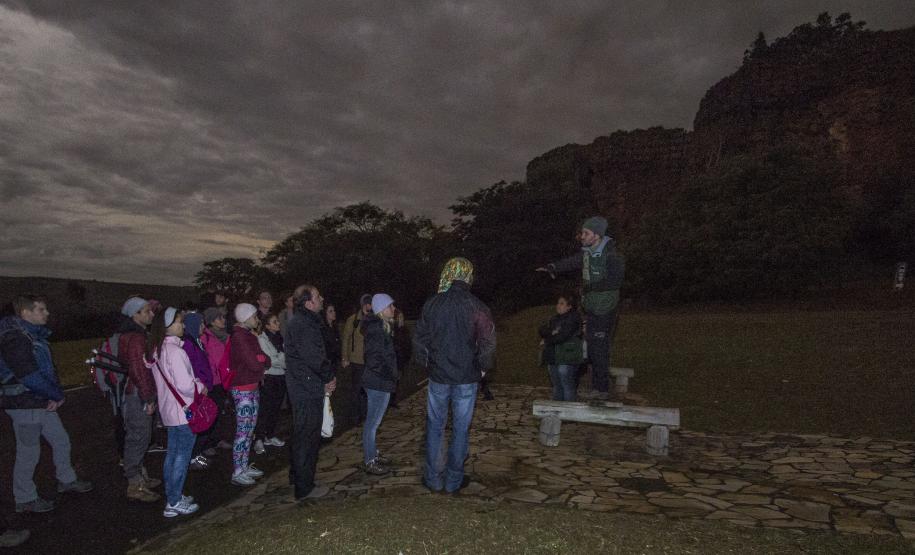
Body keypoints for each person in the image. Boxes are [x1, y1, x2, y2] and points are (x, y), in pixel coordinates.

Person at [0, 294, 93, 514]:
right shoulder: (16, 338)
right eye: (41, 309)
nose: (47, 313)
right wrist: (56, 394)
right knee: (29, 451)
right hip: (25, 403)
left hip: (40, 400)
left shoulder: (30, 335)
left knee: (60, 440)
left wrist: (51, 394)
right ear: (26, 313)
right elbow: (29, 376)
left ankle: (66, 480)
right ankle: (25, 498)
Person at [414, 258, 496, 494]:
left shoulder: (432, 304)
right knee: (461, 428)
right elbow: (488, 341)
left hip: (439, 376)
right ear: (468, 276)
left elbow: (419, 339)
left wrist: (428, 364)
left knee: (435, 426)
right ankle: (453, 480)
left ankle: (434, 478)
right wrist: (482, 368)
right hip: (466, 378)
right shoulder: (477, 306)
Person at [536, 216, 625, 400]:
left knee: (599, 347)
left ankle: (601, 390)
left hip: (606, 308)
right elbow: (571, 262)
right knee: (589, 347)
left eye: (586, 233)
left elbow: (614, 281)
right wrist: (553, 267)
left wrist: (588, 287)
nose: (582, 236)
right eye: (582, 232)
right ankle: (583, 385)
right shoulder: (587, 254)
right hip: (591, 308)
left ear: (597, 235)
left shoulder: (612, 256)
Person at [147, 307, 203, 518]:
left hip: (170, 411)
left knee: (172, 455)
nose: (183, 325)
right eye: (179, 322)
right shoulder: (176, 352)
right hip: (184, 411)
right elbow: (186, 385)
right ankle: (174, 501)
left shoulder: (157, 351)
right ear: (168, 326)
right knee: (181, 456)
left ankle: (174, 494)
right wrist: (199, 385)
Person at [285, 285, 336, 500]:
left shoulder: (302, 321)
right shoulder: (304, 324)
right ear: (308, 303)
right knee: (308, 436)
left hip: (303, 385)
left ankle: (297, 476)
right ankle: (305, 487)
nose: (322, 298)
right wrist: (328, 377)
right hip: (306, 388)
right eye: (317, 296)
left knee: (302, 434)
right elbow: (314, 357)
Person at [117, 297, 162, 502]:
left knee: (142, 436)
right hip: (138, 394)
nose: (151, 314)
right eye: (146, 311)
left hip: (138, 392)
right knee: (138, 437)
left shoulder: (135, 335)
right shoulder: (136, 338)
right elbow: (139, 370)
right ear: (135, 315)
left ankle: (140, 475)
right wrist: (148, 397)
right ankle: (134, 483)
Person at [228, 303, 269, 486]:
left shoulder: (248, 336)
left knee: (249, 430)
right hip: (242, 388)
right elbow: (254, 362)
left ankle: (244, 465)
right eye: (254, 316)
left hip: (252, 386)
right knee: (243, 431)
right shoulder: (239, 337)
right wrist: (260, 360)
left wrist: (260, 359)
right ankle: (237, 471)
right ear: (244, 317)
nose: (257, 319)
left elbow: (264, 358)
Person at [361, 294, 399, 475]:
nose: (394, 309)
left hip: (380, 380)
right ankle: (370, 460)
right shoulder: (377, 330)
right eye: (390, 306)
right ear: (382, 309)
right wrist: (390, 374)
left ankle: (373, 453)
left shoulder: (382, 327)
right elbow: (374, 359)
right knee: (372, 424)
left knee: (374, 422)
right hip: (377, 381)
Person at [181, 311, 216, 469]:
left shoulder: (197, 340)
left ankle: (196, 453)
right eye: (200, 324)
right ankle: (191, 457)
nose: (203, 327)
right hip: (198, 389)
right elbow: (193, 368)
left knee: (204, 420)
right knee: (197, 421)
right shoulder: (188, 344)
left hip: (205, 386)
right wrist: (201, 385)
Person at [538, 293, 584, 401]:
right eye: (558, 303)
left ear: (569, 306)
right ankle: (557, 410)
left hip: (567, 356)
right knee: (556, 385)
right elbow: (542, 329)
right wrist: (551, 332)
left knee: (567, 385)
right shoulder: (554, 318)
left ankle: (569, 410)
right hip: (554, 356)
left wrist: (547, 339)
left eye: (562, 303)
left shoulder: (574, 318)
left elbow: (563, 336)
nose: (558, 306)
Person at [253, 313, 287, 455]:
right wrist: (281, 357)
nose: (278, 323)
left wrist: (280, 358)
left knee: (275, 408)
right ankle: (259, 438)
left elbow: (284, 360)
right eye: (274, 321)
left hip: (280, 377)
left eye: (277, 321)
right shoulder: (262, 339)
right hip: (269, 378)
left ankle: (270, 434)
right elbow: (271, 361)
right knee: (265, 409)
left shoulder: (280, 338)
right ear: (267, 325)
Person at [200, 307, 232, 450]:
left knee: (220, 412)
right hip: (213, 380)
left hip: (224, 379)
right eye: (219, 318)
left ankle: (217, 439)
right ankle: (207, 443)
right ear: (212, 321)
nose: (223, 320)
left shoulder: (225, 336)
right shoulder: (206, 337)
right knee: (211, 412)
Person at [341, 294, 372, 424]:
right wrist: (345, 357)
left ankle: (365, 414)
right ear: (365, 304)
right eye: (369, 304)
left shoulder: (373, 319)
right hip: (357, 360)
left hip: (369, 360)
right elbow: (346, 339)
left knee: (367, 389)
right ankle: (355, 415)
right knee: (356, 389)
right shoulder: (353, 320)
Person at [321, 303, 341, 374]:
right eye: (330, 311)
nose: (334, 313)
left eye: (334, 310)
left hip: (335, 362)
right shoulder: (323, 329)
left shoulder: (335, 327)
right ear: (325, 314)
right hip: (327, 363)